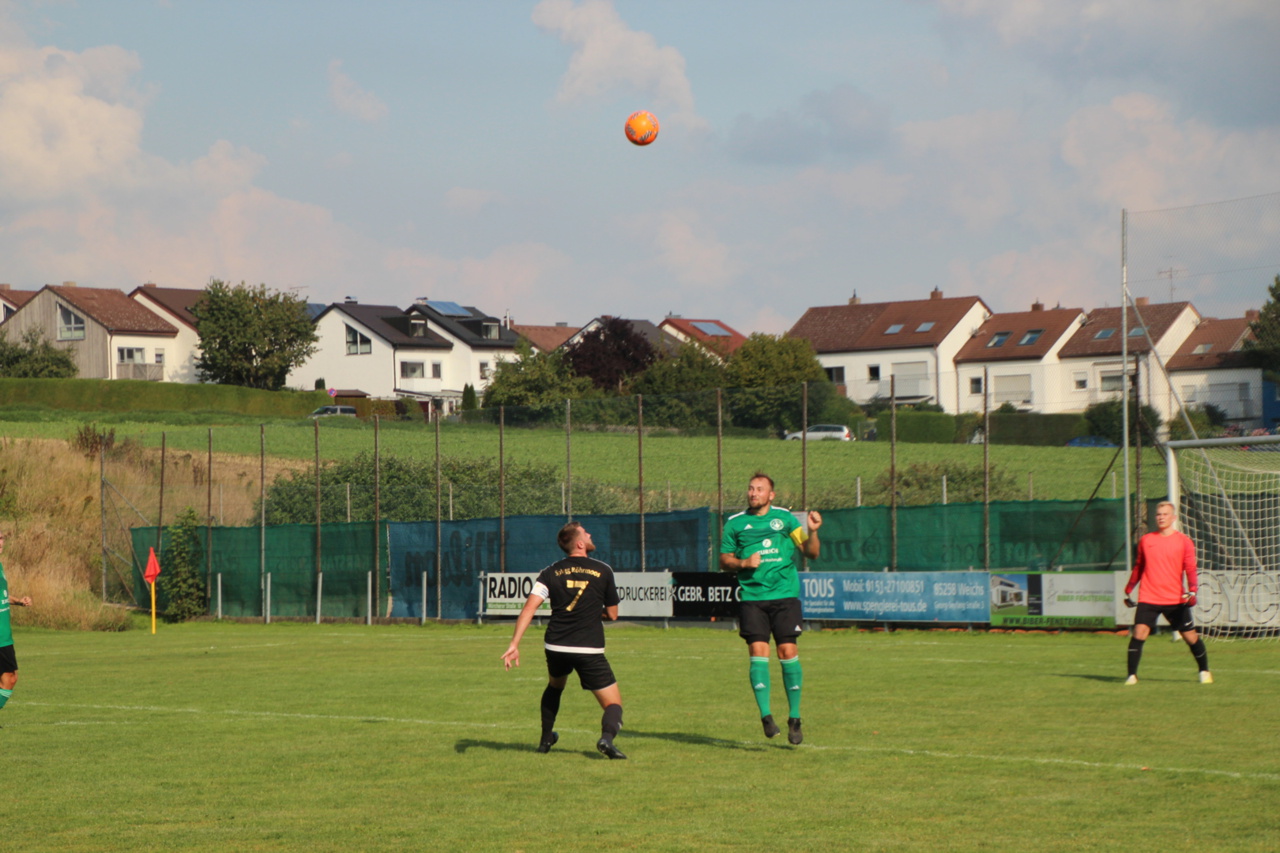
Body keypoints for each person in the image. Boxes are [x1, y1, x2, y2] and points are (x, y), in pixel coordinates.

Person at [502, 521, 626, 759]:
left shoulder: (550, 572)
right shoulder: (603, 570)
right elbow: (612, 614)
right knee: (613, 705)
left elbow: (529, 609)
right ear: (579, 543)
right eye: (586, 533)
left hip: (556, 645)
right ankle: (606, 739)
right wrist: (592, 612)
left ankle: (545, 739)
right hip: (588, 647)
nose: (590, 534)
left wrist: (514, 644)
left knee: (555, 687)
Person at [720, 472, 821, 744]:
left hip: (784, 596)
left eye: (759, 489)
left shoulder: (786, 520)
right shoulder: (735, 523)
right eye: (751, 488)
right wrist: (742, 563)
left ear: (771, 495)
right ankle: (766, 716)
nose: (753, 493)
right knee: (758, 652)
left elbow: (811, 552)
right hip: (753, 598)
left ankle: (795, 718)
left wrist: (813, 531)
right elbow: (724, 559)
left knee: (787, 651)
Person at [1123, 501, 1211, 685]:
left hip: (1175, 598)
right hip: (1149, 596)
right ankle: (1131, 676)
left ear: (1173, 518)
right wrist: (1129, 589)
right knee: (1139, 633)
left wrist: (1192, 590)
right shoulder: (1146, 540)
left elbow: (1190, 568)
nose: (1161, 517)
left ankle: (1204, 671)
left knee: (1190, 636)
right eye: (1158, 514)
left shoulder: (1184, 541)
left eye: (1165, 514)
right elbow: (1139, 566)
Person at [0, 531, 33, 715]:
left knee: (9, 679)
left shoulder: (0, 566)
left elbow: (2, 596)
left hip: (4, 634)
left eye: (1, 538)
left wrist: (19, 601)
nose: (0, 542)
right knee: (9, 678)